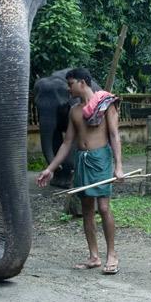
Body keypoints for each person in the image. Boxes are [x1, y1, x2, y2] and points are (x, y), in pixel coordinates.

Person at [36, 68, 125, 275]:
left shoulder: (106, 104)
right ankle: (94, 256)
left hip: (100, 159)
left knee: (103, 208)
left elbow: (114, 135)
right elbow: (67, 143)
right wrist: (50, 168)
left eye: (71, 83)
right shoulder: (74, 111)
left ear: (83, 83)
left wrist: (118, 166)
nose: (68, 88)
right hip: (82, 161)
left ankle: (112, 254)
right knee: (86, 209)